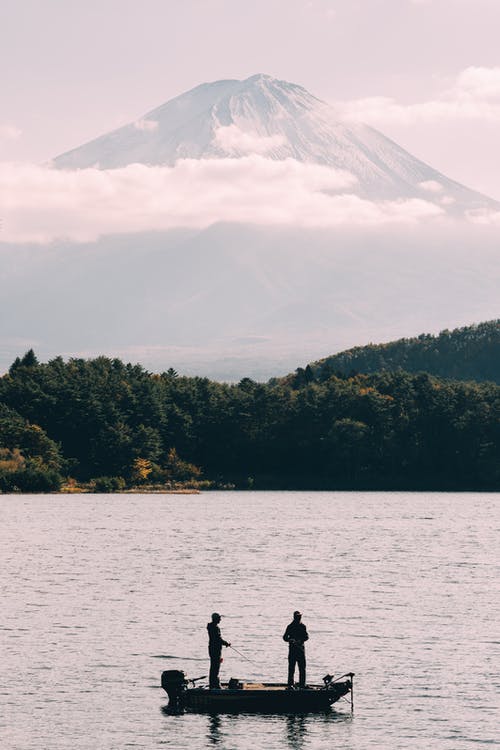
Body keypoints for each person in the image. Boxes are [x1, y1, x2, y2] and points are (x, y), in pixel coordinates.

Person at [283, 610, 309, 688]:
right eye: (298, 617)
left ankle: (302, 684)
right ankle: (290, 684)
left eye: (300, 616)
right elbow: (284, 637)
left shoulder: (303, 626)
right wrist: (290, 640)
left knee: (302, 668)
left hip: (301, 650)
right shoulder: (290, 626)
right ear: (294, 617)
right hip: (293, 651)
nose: (299, 618)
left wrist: (300, 640)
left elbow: (306, 637)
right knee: (291, 668)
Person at [207, 612, 230, 689]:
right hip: (215, 649)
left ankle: (213, 683)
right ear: (215, 619)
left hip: (212, 648)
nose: (220, 619)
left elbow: (217, 638)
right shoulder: (215, 627)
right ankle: (214, 685)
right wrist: (226, 643)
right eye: (219, 618)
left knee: (214, 666)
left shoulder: (211, 626)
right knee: (215, 667)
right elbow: (218, 639)